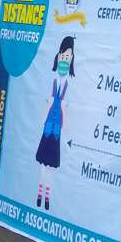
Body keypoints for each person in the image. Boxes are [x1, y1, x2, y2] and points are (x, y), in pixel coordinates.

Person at [35, 34, 74, 210]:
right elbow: (48, 103)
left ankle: (47, 197)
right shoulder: (53, 81)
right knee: (43, 165)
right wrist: (43, 119)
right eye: (63, 56)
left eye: (68, 57)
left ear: (71, 59)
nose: (65, 60)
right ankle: (39, 194)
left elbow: (65, 109)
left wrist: (66, 123)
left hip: (57, 129)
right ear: (58, 56)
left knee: (50, 166)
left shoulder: (67, 85)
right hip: (48, 127)